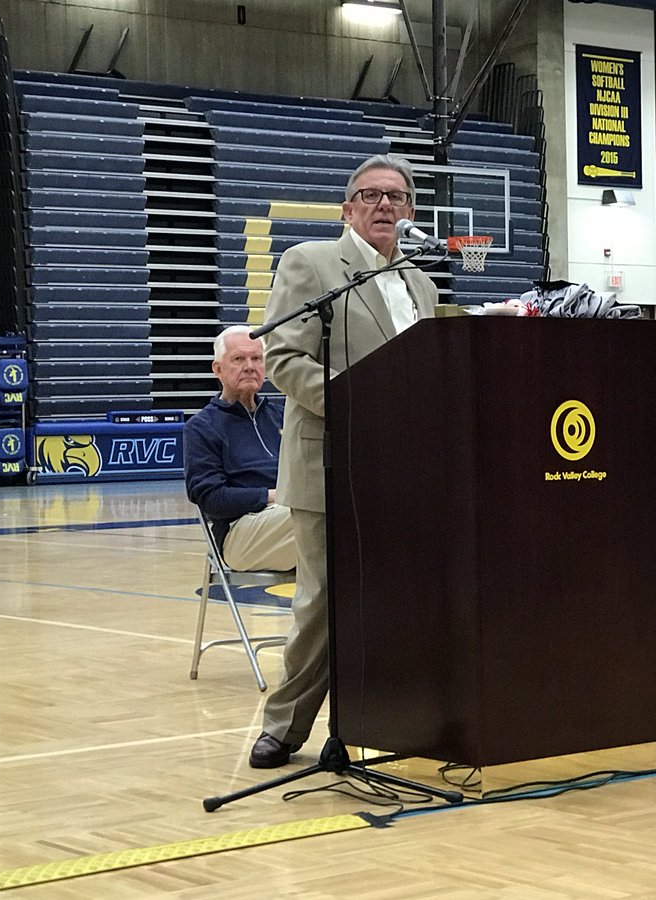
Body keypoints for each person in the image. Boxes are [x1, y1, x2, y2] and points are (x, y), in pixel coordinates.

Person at [249, 153, 439, 768]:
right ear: (348, 207)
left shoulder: (422, 283)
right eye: (372, 195)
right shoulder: (311, 264)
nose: (386, 205)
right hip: (330, 462)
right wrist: (366, 402)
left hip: (404, 468)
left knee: (402, 598)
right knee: (324, 599)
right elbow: (284, 359)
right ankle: (286, 724)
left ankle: (382, 717)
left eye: (398, 196)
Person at [184, 325, 297, 573]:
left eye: (256, 358)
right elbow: (211, 499)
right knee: (311, 511)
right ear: (218, 369)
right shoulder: (202, 427)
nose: (249, 366)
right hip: (240, 532)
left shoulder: (282, 417)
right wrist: (273, 496)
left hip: (288, 520)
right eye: (238, 359)